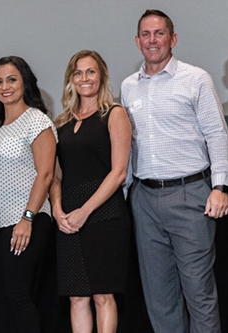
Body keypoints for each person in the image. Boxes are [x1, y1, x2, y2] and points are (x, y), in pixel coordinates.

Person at [121, 9, 228, 333]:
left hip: (191, 195)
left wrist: (220, 187)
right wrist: (127, 193)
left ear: (173, 39)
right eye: (146, 34)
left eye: (159, 33)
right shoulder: (128, 87)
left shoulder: (196, 79)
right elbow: (129, 145)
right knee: (159, 297)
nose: (152, 40)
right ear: (137, 41)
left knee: (199, 293)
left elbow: (217, 133)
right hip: (145, 198)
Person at [50, 50, 132, 333]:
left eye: (91, 72)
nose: (85, 78)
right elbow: (56, 175)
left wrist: (85, 210)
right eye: (78, 73)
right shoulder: (62, 122)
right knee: (76, 296)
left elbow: (119, 172)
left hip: (104, 214)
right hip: (68, 217)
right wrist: (58, 211)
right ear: (71, 79)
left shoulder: (114, 114)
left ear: (102, 76)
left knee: (102, 295)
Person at [0, 56, 56, 333]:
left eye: (12, 79)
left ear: (25, 83)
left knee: (18, 295)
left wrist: (28, 218)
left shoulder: (36, 120)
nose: (5, 86)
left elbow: (45, 174)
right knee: (1, 298)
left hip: (24, 220)